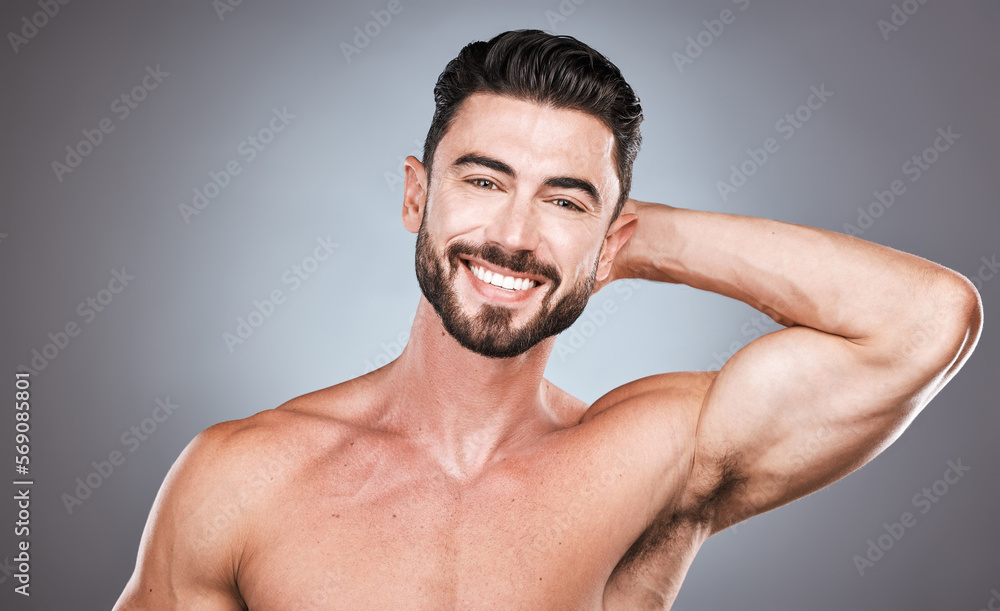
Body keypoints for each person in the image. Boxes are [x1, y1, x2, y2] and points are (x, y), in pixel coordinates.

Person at [114, 29, 982, 609]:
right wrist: (586, 219)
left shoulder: (651, 456)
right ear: (418, 194)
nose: (515, 235)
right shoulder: (240, 478)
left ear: (613, 236)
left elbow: (925, 321)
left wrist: (627, 238)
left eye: (562, 199)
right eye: (484, 181)